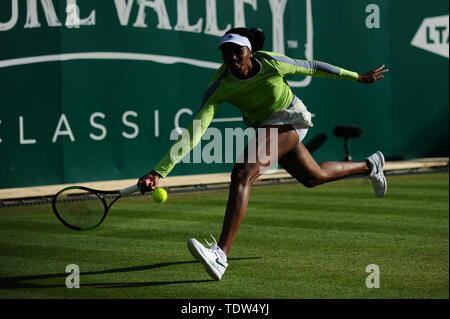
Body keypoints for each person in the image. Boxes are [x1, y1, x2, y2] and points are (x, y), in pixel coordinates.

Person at [137, 27, 389, 281]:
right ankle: (371, 165)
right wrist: (159, 171)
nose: (233, 58)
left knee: (242, 173)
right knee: (314, 177)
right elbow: (195, 131)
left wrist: (357, 77)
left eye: (238, 51)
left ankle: (220, 255)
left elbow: (313, 66)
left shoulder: (271, 62)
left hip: (291, 117)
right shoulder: (220, 85)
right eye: (227, 53)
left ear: (250, 51)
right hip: (267, 126)